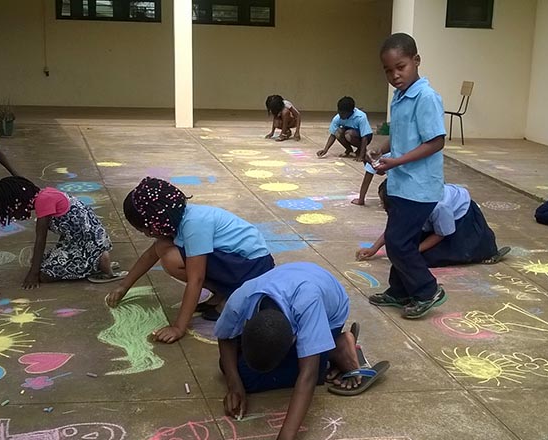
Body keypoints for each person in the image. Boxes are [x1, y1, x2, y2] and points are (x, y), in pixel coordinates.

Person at [215, 262, 389, 440]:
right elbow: (225, 337)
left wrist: (285, 436)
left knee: (251, 378)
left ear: (293, 341)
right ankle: (329, 349)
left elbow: (308, 375)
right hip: (297, 281)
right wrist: (234, 385)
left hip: (330, 313)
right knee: (233, 370)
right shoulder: (240, 300)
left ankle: (336, 347)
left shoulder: (307, 303)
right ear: (247, 324)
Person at [106, 177, 275, 344]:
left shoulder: (194, 225)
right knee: (164, 249)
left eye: (145, 230)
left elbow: (197, 278)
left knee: (172, 259)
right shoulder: (181, 218)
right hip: (240, 263)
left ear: (157, 223)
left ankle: (232, 295)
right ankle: (224, 292)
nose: (147, 234)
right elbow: (150, 255)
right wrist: (123, 287)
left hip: (252, 268)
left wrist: (178, 327)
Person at [365, 33, 447, 320]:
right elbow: (400, 136)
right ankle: (400, 291)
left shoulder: (425, 97)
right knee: (402, 240)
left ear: (416, 61)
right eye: (388, 70)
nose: (395, 75)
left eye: (401, 67)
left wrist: (397, 160)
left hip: (420, 186)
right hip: (401, 183)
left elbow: (436, 141)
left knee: (398, 243)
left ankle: (427, 290)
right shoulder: (400, 97)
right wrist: (380, 148)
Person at [0, 176, 125, 289]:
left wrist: (33, 274)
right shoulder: (43, 195)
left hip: (88, 243)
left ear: (16, 203)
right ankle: (96, 261)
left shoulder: (43, 202)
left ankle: (100, 260)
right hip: (78, 240)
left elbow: (41, 239)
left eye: (11, 212)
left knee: (45, 275)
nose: (14, 217)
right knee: (39, 262)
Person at [357, 181, 511, 266]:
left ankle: (488, 250)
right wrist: (373, 248)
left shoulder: (438, 206)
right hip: (431, 219)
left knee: (434, 257)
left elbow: (440, 234)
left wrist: (417, 250)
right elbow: (395, 228)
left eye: (385, 204)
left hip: (460, 216)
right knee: (402, 248)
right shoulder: (405, 203)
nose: (383, 207)